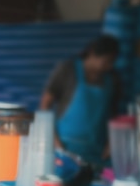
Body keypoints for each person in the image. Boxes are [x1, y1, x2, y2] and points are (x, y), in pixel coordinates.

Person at [40, 34, 122, 168]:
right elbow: (45, 103)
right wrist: (54, 140)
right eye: (106, 61)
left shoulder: (112, 78)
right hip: (64, 148)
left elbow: (114, 112)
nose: (108, 66)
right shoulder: (67, 70)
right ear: (92, 53)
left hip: (96, 151)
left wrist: (111, 143)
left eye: (112, 62)